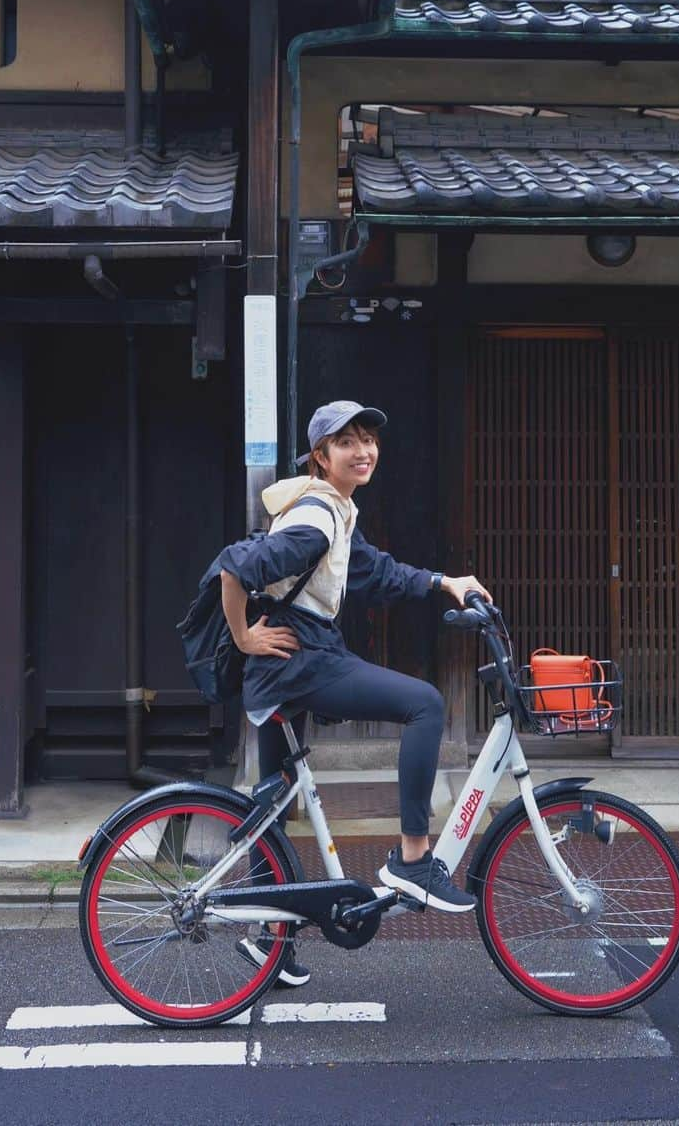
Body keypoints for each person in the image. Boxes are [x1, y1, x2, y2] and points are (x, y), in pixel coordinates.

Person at [218, 399, 492, 988]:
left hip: (290, 662)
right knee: (425, 704)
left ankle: (269, 936)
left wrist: (444, 582)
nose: (364, 451)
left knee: (275, 799)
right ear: (321, 456)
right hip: (300, 659)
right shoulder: (317, 516)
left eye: (369, 440)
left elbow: (375, 571)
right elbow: (235, 566)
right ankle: (414, 860)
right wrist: (243, 637)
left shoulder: (339, 511)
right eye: (347, 442)